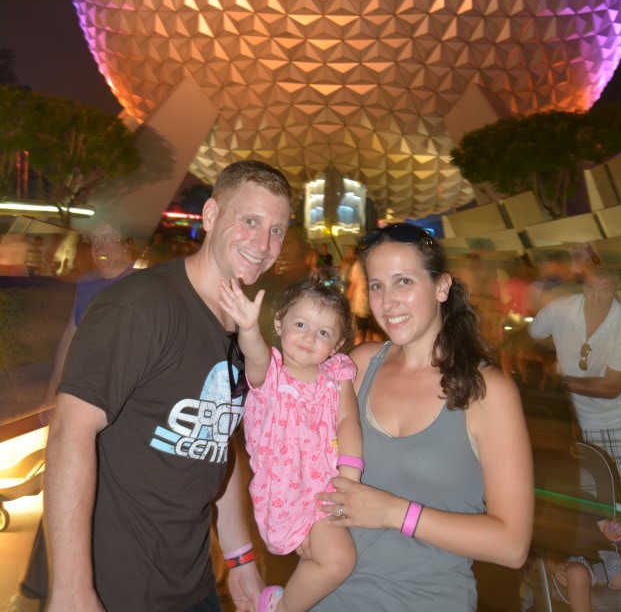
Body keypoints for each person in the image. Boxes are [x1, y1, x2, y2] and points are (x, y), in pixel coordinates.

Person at [43, 160, 292, 612]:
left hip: (192, 585)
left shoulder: (239, 328)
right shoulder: (141, 306)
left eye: (277, 229)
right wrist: (72, 589)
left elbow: (219, 443)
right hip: (113, 590)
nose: (263, 243)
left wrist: (239, 560)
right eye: (251, 221)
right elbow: (68, 433)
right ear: (212, 216)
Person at [308, 223, 534, 612]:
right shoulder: (358, 368)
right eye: (377, 286)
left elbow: (512, 545)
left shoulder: (487, 392)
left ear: (441, 287)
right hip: (326, 598)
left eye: (403, 282)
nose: (387, 302)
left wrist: (395, 513)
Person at [4, 222, 136, 612]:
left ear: (126, 243)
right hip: (84, 395)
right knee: (69, 486)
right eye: (96, 239)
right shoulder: (87, 284)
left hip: (122, 402)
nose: (101, 246)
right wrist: (52, 392)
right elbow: (70, 336)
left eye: (110, 237)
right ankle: (44, 582)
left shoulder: (140, 285)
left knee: (99, 490)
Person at [219, 274, 361, 612]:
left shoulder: (336, 376)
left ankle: (278, 607)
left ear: (337, 345)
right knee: (332, 559)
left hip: (327, 489)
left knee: (337, 559)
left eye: (323, 332)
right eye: (301, 324)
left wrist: (350, 476)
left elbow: (348, 421)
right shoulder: (271, 373)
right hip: (285, 492)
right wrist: (248, 327)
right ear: (279, 323)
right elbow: (252, 353)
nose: (309, 337)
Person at [528, 266, 621, 515]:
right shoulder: (560, 309)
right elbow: (530, 336)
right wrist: (548, 356)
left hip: (609, 421)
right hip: (569, 423)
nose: (596, 297)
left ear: (617, 289)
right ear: (583, 285)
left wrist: (561, 381)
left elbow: (612, 388)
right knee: (589, 500)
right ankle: (596, 552)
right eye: (591, 288)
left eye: (605, 290)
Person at [548, 517, 621, 612]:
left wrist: (616, 531)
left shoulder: (587, 499)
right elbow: (536, 548)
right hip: (572, 561)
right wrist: (551, 565)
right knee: (576, 573)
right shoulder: (544, 505)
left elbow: (606, 527)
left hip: (603, 558)